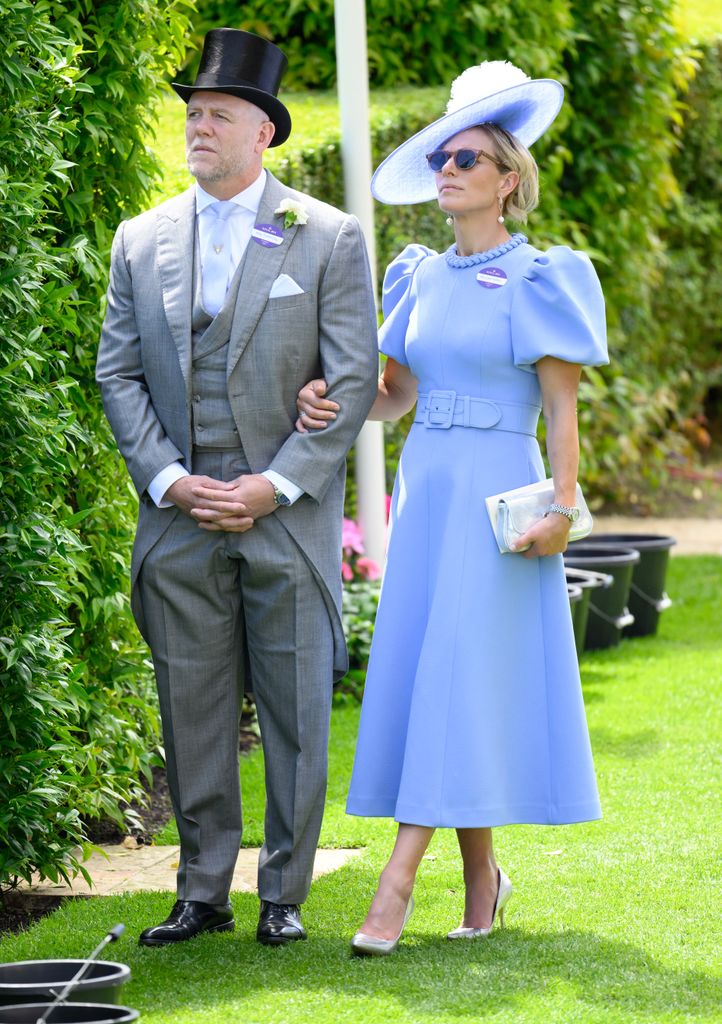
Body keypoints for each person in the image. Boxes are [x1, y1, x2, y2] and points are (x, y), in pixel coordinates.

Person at [295, 60, 608, 955]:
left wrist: (565, 505)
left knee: (455, 674)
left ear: (508, 178)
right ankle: (483, 883)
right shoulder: (418, 276)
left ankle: (396, 884)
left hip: (498, 500)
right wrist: (339, 401)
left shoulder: (545, 276)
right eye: (441, 156)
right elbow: (395, 395)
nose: (449, 169)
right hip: (426, 489)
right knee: (446, 673)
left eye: (467, 159)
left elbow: (561, 410)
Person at [96, 28, 378, 947]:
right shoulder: (140, 241)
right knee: (194, 707)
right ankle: (202, 890)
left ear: (263, 132)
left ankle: (286, 895)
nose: (198, 128)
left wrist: (277, 486)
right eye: (192, 113)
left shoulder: (327, 237)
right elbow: (119, 374)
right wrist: (171, 481)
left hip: (283, 523)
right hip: (178, 519)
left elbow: (354, 376)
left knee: (296, 708)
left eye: (217, 114)